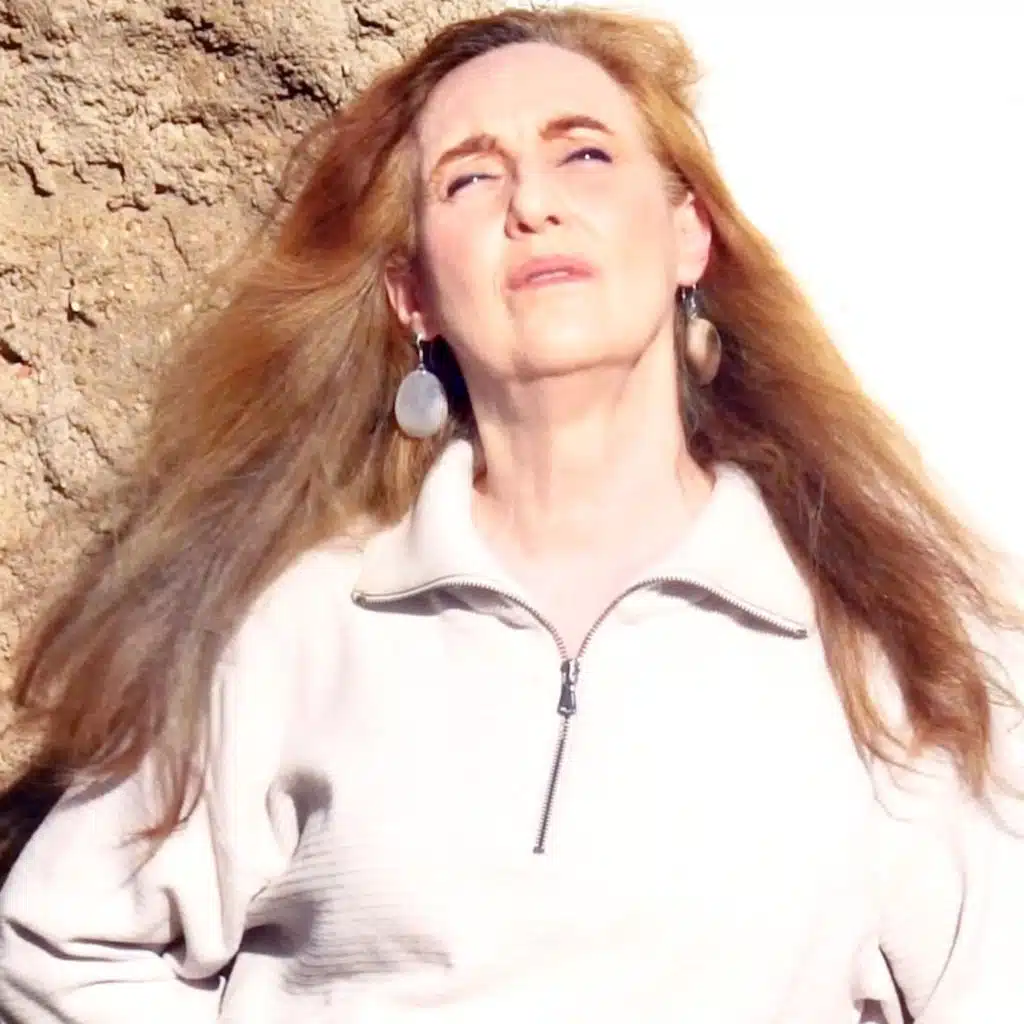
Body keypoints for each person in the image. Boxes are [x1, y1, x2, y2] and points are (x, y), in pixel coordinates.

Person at [1, 6, 1022, 1022]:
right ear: (414, 295)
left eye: (584, 154)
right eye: (471, 178)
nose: (532, 202)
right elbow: (59, 944)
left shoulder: (886, 640)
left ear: (687, 235)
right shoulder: (297, 623)